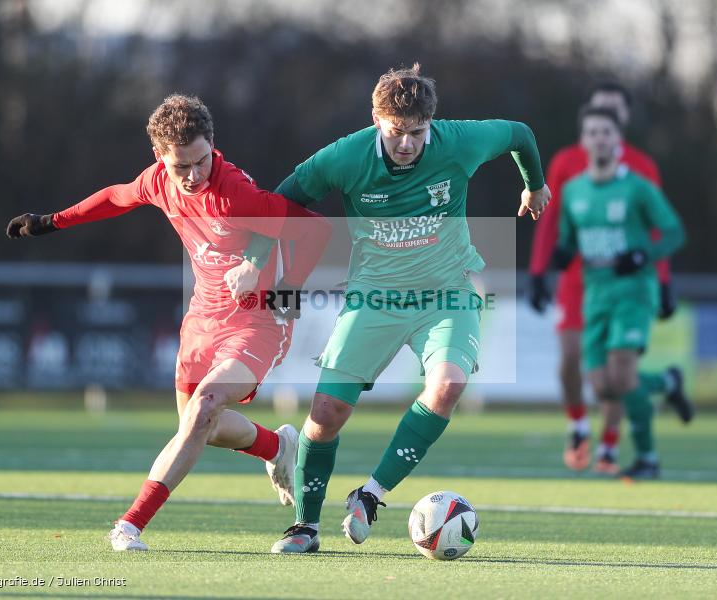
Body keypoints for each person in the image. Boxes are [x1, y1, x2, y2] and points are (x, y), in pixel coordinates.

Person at [230, 63, 550, 553]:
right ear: (376, 120)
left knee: (448, 385)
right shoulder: (346, 156)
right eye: (396, 132)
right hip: (374, 297)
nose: (406, 144)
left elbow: (519, 133)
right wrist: (254, 260)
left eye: (417, 133)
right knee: (327, 412)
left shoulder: (459, 142)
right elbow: (281, 200)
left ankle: (371, 494)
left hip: (448, 292)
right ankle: (305, 526)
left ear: (431, 124)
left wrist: (534, 185)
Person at [5, 94, 332, 550]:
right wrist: (51, 222)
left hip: (256, 320)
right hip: (202, 317)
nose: (195, 175)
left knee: (204, 408)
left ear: (212, 145)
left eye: (201, 161)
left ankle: (130, 524)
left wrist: (285, 286)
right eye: (183, 167)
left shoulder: (235, 190)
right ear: (160, 159)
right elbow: (116, 198)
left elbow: (315, 229)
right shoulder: (158, 181)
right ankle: (277, 448)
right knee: (201, 426)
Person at [528, 83, 693, 474]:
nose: (600, 136)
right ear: (583, 136)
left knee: (621, 373)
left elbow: (670, 232)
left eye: (608, 128)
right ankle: (663, 385)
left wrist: (652, 265)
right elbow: (560, 230)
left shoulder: (639, 178)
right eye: (594, 129)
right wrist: (544, 268)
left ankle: (637, 453)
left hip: (632, 289)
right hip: (590, 289)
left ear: (620, 133)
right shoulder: (571, 183)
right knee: (600, 382)